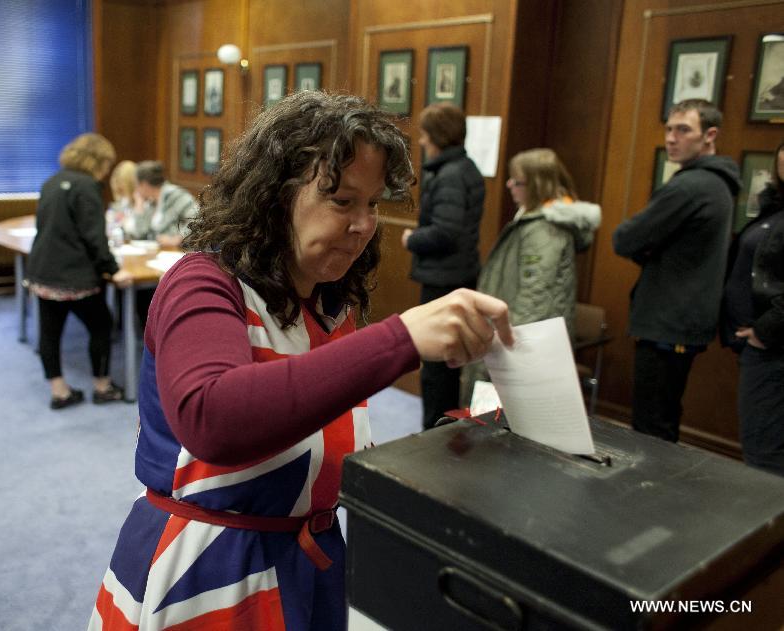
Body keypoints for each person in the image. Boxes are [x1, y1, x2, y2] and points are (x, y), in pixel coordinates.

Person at [88, 91, 514, 631]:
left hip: (305, 561)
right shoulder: (201, 281)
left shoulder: (328, 303)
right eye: (342, 200)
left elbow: (315, 443)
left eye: (373, 203)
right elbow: (211, 417)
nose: (364, 224)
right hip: (209, 568)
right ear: (274, 197)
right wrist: (400, 338)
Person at [613, 99, 741, 443]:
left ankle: (649, 496)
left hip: (668, 321)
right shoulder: (719, 182)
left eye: (683, 130)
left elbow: (624, 239)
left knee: (652, 427)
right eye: (669, 129)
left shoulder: (691, 186)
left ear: (710, 135)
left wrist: (651, 248)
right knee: (663, 417)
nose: (671, 138)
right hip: (683, 320)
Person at [461, 148, 601, 405]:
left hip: (523, 341)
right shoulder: (534, 219)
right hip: (519, 334)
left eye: (517, 181)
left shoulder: (545, 229)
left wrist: (505, 343)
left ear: (537, 185)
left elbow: (535, 295)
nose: (509, 185)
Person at [25, 133, 133, 409]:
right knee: (102, 326)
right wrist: (112, 269)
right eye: (107, 163)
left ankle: (59, 392)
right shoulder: (87, 187)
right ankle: (102, 386)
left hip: (42, 271)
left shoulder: (52, 181)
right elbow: (94, 236)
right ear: (98, 161)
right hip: (74, 276)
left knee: (49, 332)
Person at [401, 103, 486, 430]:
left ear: (438, 135)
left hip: (444, 278)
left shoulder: (450, 175)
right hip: (456, 273)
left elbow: (447, 232)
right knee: (447, 364)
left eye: (424, 134)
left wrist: (413, 238)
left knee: (437, 364)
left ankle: (433, 434)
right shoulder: (465, 168)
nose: (421, 141)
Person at [720, 139, 784, 476]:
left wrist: (765, 330)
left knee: (764, 456)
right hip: (761, 350)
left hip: (773, 350)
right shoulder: (774, 207)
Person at [124, 160, 197, 248]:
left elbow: (198, 219)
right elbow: (139, 234)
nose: (136, 190)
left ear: (144, 184)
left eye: (137, 185)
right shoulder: (150, 203)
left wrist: (176, 239)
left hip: (178, 253)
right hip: (157, 254)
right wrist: (139, 206)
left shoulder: (176, 196)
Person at [106, 159, 137, 246]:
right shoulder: (119, 205)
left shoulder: (144, 204)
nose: (118, 186)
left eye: (121, 183)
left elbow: (137, 231)